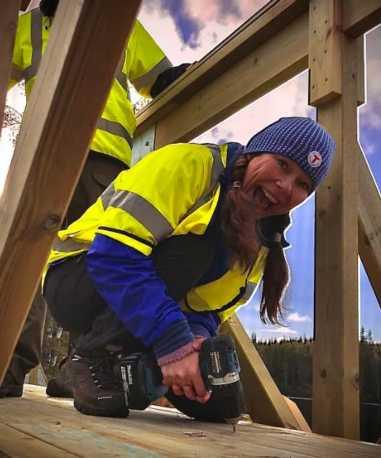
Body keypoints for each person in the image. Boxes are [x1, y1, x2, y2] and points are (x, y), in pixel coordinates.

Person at [42, 116, 335, 419]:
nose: (286, 187)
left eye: (303, 184)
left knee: (222, 404)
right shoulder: (189, 164)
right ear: (254, 152)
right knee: (195, 248)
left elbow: (209, 308)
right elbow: (114, 255)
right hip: (76, 278)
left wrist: (194, 342)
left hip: (131, 302)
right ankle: (92, 356)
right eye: (283, 164)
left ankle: (86, 374)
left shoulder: (262, 237)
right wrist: (172, 342)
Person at [0, 0, 189, 398]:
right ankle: (9, 365)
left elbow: (160, 77)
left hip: (103, 157)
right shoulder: (28, 27)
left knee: (99, 260)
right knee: (24, 262)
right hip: (45, 153)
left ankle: (83, 365)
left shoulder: (113, 15)